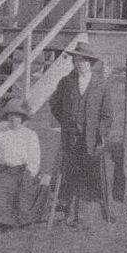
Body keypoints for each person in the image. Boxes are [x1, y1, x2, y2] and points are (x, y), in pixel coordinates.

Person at [48, 42, 115, 226]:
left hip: (91, 140)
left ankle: (90, 215)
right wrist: (67, 121)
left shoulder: (101, 84)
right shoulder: (66, 82)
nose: (79, 64)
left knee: (90, 177)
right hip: (71, 137)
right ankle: (68, 213)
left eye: (83, 60)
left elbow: (107, 115)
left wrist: (100, 133)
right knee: (70, 175)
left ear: (90, 62)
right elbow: (54, 104)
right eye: (76, 60)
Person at [0, 98, 49, 230]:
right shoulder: (0, 133)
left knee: (23, 188)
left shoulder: (30, 135)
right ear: (7, 117)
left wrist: (30, 173)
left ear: (22, 118)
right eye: (11, 116)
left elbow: (34, 158)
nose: (14, 119)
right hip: (4, 171)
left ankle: (16, 221)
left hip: (22, 171)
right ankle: (0, 221)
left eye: (17, 116)